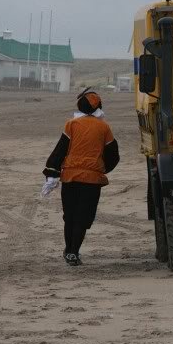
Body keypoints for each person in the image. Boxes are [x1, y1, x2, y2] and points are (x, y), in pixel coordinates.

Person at [41, 89, 119, 266]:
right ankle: (73, 252)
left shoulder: (71, 125)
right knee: (83, 218)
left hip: (70, 178)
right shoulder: (104, 127)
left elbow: (60, 150)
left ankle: (68, 250)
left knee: (70, 216)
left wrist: (52, 173)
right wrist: (101, 169)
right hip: (92, 181)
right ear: (98, 106)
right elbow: (113, 155)